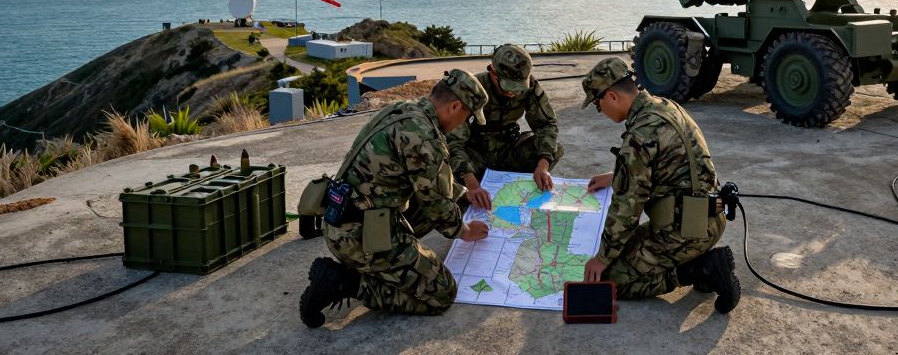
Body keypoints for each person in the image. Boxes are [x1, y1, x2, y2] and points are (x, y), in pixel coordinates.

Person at [299, 69, 491, 327]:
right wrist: (464, 231)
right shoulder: (425, 138)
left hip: (344, 218)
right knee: (442, 293)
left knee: (434, 211)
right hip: (358, 238)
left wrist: (463, 194)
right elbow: (438, 209)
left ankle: (383, 266)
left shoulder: (402, 110)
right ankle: (346, 283)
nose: (463, 124)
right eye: (466, 117)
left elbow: (428, 184)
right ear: (455, 106)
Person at [580, 57, 741, 313]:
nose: (601, 112)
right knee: (626, 255)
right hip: (710, 218)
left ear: (611, 96)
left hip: (685, 233)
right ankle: (699, 260)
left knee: (611, 281)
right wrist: (617, 175)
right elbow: (672, 162)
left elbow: (626, 208)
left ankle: (702, 269)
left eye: (598, 105)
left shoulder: (639, 136)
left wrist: (602, 258)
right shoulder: (665, 106)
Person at [447, 44, 565, 209]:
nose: (514, 93)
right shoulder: (472, 89)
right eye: (508, 86)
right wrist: (469, 180)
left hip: (507, 153)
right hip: (475, 158)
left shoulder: (530, 87)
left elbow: (546, 124)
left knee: (552, 149)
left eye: (518, 87)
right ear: (492, 73)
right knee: (442, 168)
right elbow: (454, 142)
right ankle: (471, 193)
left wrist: (543, 165)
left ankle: (517, 190)